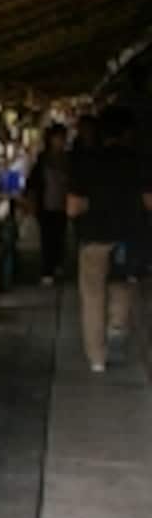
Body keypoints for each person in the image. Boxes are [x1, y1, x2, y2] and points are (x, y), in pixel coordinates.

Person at [67, 106, 152, 372]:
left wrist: (94, 205)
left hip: (94, 239)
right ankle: (118, 325)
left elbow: (72, 207)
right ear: (129, 133)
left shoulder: (87, 161)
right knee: (123, 286)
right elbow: (150, 202)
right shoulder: (139, 161)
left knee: (93, 296)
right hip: (128, 238)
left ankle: (97, 358)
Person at [26, 123, 71, 284]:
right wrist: (31, 203)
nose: (61, 141)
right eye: (58, 138)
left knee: (60, 235)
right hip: (46, 204)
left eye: (63, 138)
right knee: (47, 237)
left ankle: (57, 264)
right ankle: (47, 269)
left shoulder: (67, 159)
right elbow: (32, 183)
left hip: (63, 203)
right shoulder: (42, 160)